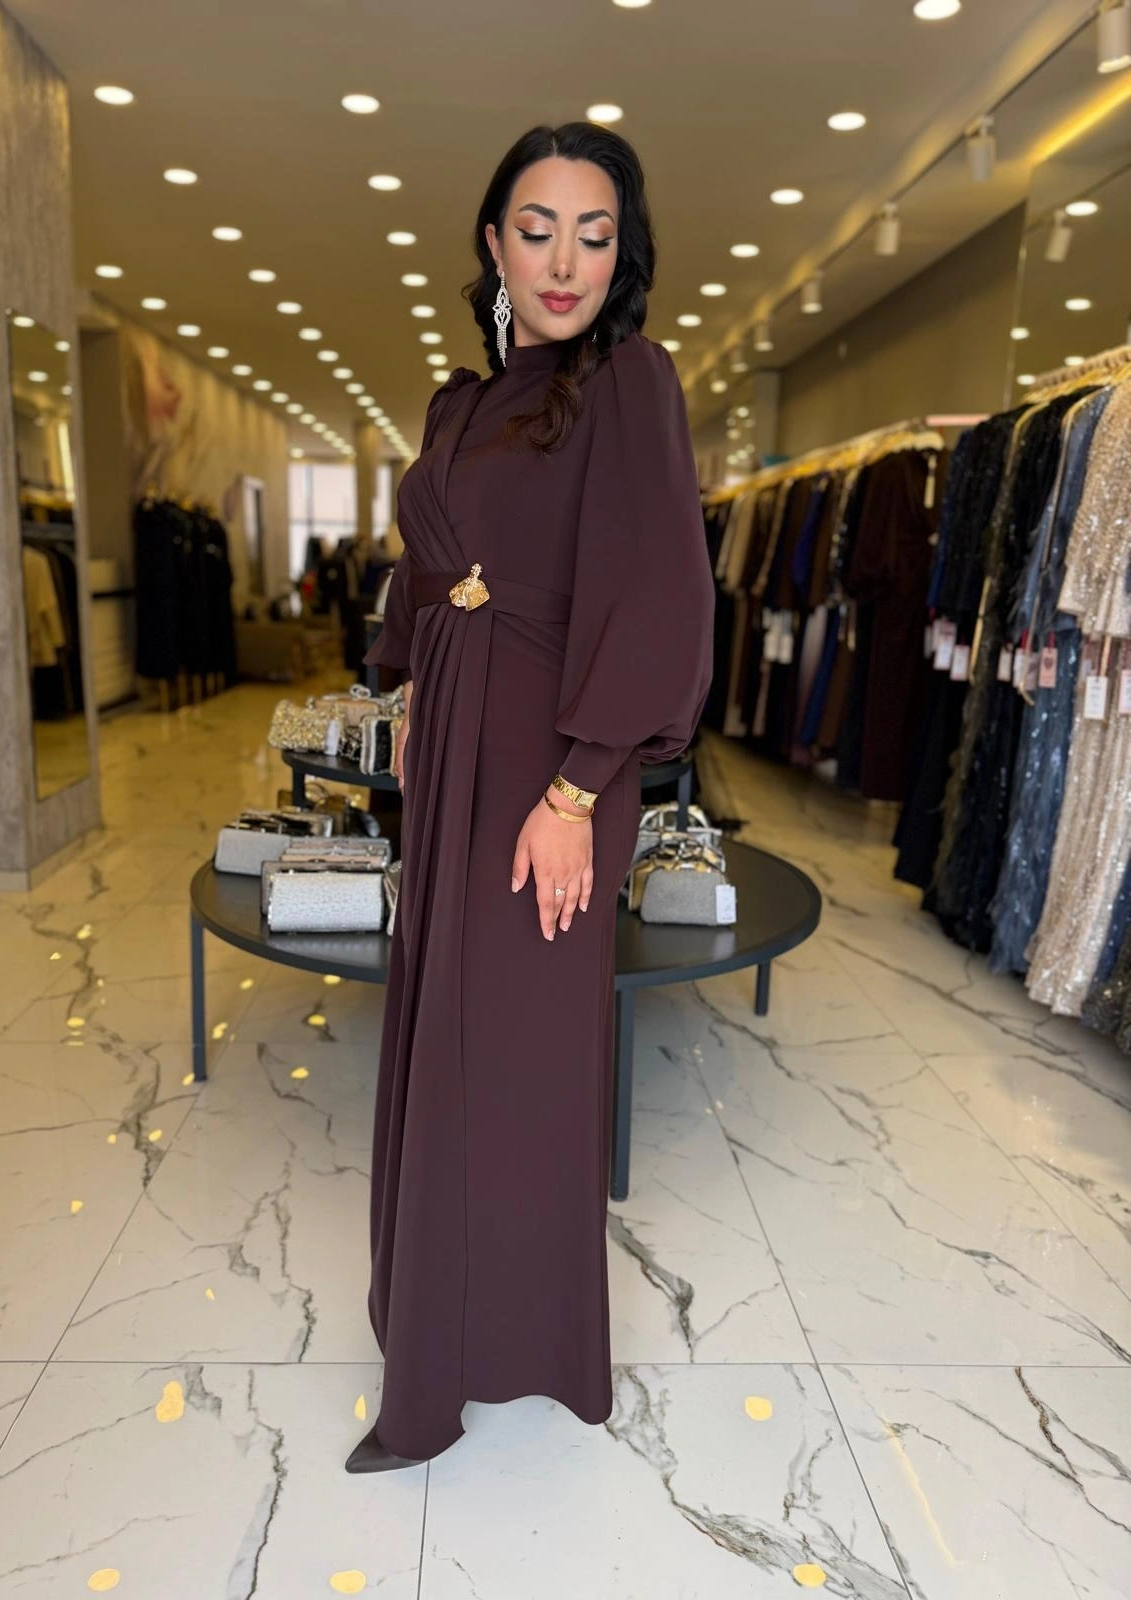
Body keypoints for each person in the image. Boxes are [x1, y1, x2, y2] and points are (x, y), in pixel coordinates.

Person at [346, 121, 714, 1473]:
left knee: (518, 1057)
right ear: (494, 243)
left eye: (594, 235)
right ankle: (445, 1331)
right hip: (455, 748)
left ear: (624, 256)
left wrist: (577, 791)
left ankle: (512, 1348)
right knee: (448, 1033)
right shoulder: (458, 407)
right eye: (539, 229)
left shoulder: (631, 384)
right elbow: (426, 580)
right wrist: (405, 691)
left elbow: (661, 591)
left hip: (552, 765)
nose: (565, 262)